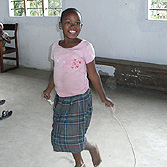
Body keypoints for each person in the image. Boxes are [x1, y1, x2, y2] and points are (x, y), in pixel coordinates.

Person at [43, 8, 114, 167]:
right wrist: (49, 89)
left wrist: (103, 97)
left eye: (77, 23)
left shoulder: (85, 47)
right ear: (60, 25)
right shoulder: (55, 47)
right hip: (61, 99)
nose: (73, 26)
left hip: (80, 99)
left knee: (74, 135)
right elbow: (57, 71)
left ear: (81, 26)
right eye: (68, 22)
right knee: (62, 135)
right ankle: (85, 154)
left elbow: (93, 75)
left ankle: (85, 155)